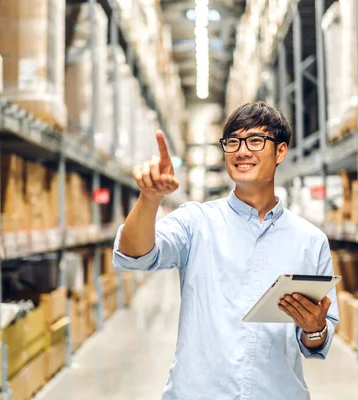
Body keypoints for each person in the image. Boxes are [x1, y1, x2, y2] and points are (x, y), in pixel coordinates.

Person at [113, 102, 339, 400]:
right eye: (233, 142)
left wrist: (314, 328)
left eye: (255, 141)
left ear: (281, 151)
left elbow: (316, 341)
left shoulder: (310, 241)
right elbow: (134, 256)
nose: (241, 151)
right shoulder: (196, 222)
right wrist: (149, 199)